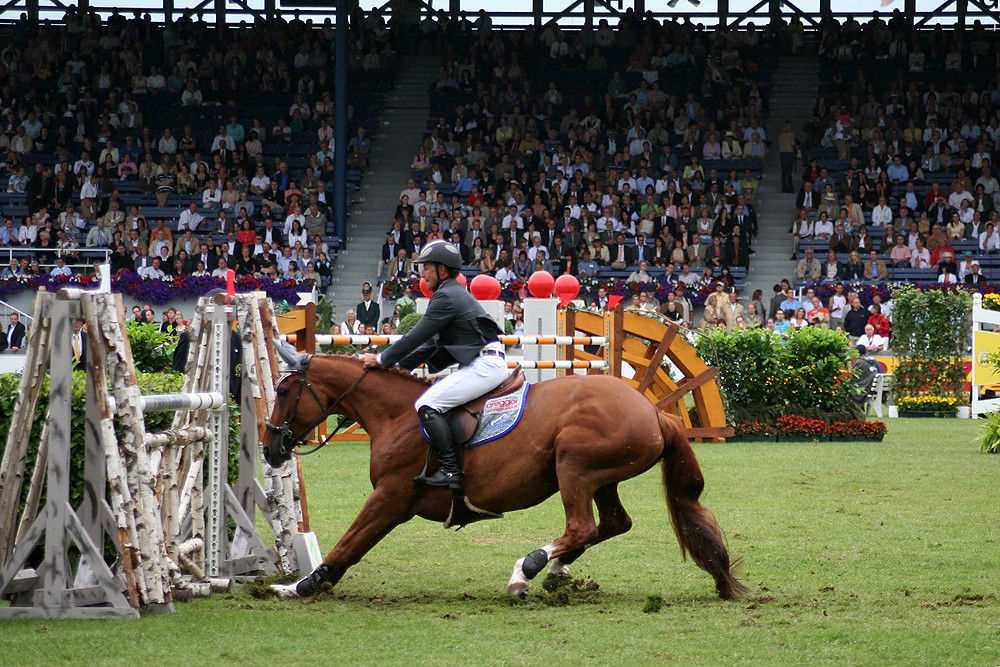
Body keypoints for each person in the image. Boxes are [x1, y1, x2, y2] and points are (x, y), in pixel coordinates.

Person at [363, 241, 507, 489]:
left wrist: (380, 359)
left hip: (484, 365)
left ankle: (451, 472)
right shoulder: (453, 293)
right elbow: (431, 345)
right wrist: (398, 370)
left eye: (426, 268)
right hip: (485, 361)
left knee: (426, 403)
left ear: (442, 270)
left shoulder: (446, 296)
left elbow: (415, 336)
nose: (422, 274)